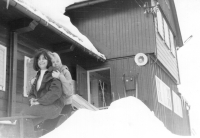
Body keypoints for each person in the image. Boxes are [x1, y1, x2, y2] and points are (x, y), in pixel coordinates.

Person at [20, 49, 64, 137]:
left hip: (54, 106)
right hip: (43, 107)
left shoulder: (54, 72)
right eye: (39, 59)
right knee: (24, 120)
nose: (41, 61)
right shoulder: (38, 75)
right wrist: (32, 99)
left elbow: (55, 93)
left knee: (24, 113)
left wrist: (39, 101)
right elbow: (32, 93)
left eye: (44, 58)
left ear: (49, 60)